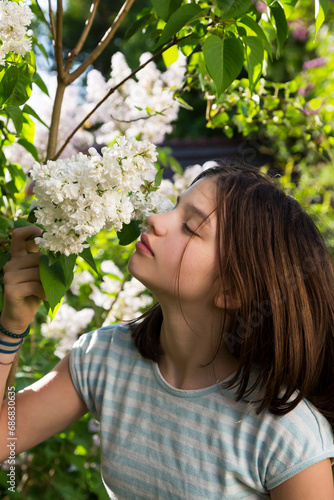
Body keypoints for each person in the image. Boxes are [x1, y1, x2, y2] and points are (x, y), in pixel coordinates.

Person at [0, 163, 333, 499]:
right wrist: (11, 327)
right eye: (175, 206)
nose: (156, 220)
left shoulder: (286, 434)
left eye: (189, 227)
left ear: (232, 290)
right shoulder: (105, 358)